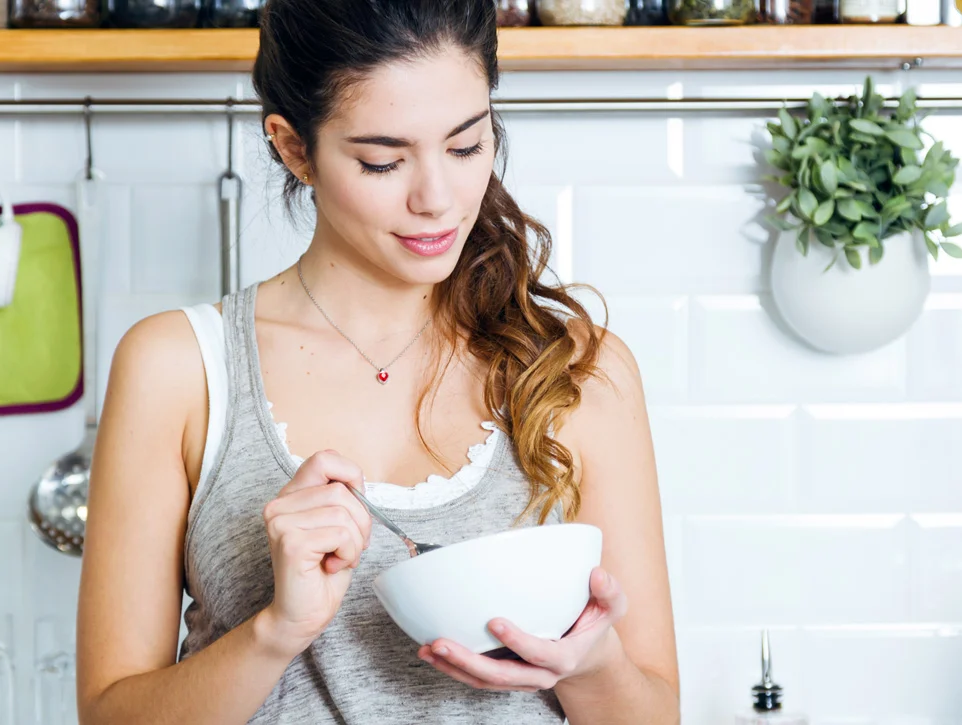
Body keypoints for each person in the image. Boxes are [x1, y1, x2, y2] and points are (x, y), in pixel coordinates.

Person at [74, 0, 679, 722]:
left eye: (466, 147)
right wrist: (276, 630)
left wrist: (592, 662)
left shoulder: (576, 369)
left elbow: (653, 712)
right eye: (383, 160)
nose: (438, 199)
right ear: (293, 146)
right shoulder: (178, 369)